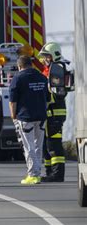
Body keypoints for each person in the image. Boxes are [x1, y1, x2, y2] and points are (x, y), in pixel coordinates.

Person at [9, 55, 50, 185]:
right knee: (38, 145)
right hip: (41, 117)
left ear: (20, 66)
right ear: (31, 64)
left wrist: (13, 116)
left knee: (29, 146)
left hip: (25, 117)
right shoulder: (42, 78)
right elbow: (48, 99)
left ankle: (33, 174)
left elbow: (12, 101)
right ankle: (37, 173)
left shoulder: (18, 78)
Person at [39, 42, 68, 182]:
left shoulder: (57, 70)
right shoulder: (50, 70)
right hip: (49, 114)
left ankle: (57, 174)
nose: (44, 59)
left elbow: (56, 94)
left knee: (54, 145)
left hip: (55, 114)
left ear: (53, 56)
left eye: (46, 56)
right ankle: (50, 172)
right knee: (46, 146)